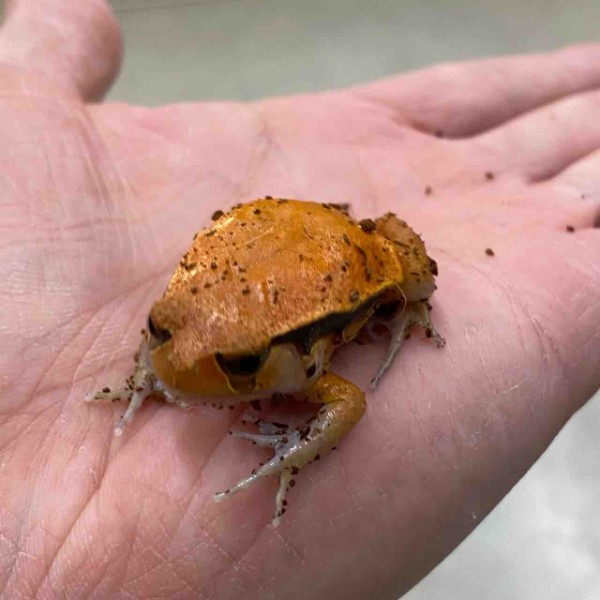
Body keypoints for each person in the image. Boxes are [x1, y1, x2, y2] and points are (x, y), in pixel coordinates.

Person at [0, 1, 598, 597]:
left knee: (411, 277)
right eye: (160, 332)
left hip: (338, 259)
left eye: (239, 363)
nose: (170, 361)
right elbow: (178, 335)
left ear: (290, 357)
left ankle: (400, 305)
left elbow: (348, 403)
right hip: (270, 237)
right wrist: (153, 365)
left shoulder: (306, 372)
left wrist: (295, 449)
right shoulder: (184, 325)